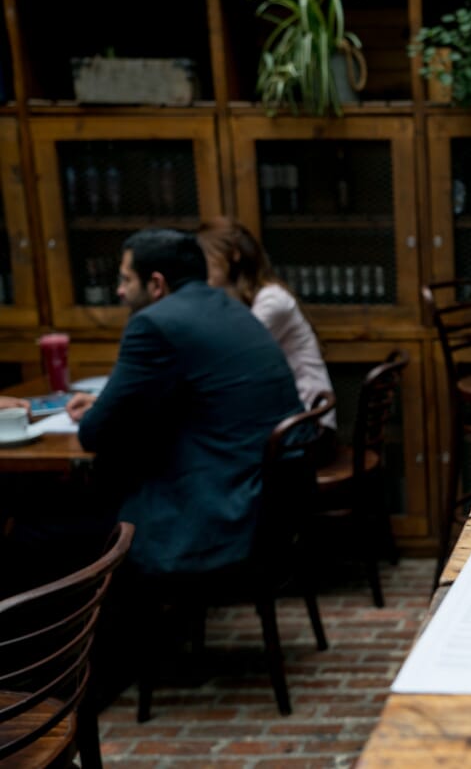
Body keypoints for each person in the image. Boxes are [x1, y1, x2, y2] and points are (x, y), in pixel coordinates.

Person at [66, 228, 304, 575]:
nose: (119, 291)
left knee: (49, 526)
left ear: (157, 284)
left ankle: (96, 627)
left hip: (216, 507)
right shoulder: (230, 307)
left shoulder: (153, 323)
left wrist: (104, 409)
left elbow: (95, 433)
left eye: (126, 279)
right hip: (271, 498)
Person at [196, 218, 337, 445]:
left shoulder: (272, 300)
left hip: (308, 428)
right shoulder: (244, 300)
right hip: (282, 422)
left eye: (206, 257)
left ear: (233, 255)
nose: (201, 268)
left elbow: (230, 356)